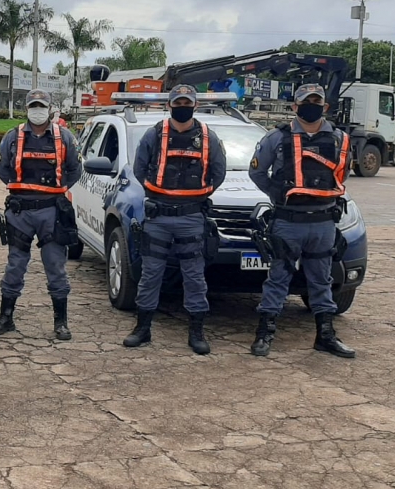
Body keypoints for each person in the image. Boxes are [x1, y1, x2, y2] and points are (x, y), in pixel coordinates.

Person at [248, 83, 355, 358]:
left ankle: (326, 335)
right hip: (288, 220)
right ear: (294, 107)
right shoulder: (276, 137)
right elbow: (257, 172)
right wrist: (278, 194)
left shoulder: (339, 139)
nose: (312, 105)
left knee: (322, 280)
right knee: (278, 277)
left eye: (317, 101)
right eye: (306, 101)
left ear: (325, 107)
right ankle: (264, 333)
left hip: (323, 221)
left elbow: (342, 175)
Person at [124, 84, 227, 354]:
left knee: (194, 277)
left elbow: (218, 172)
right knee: (150, 275)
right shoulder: (154, 134)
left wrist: (194, 196)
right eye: (178, 103)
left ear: (195, 105)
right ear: (169, 106)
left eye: (187, 103)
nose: (183, 107)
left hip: (192, 216)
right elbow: (139, 168)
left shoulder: (208, 137)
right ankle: (143, 329)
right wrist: (157, 193)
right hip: (158, 215)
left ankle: (196, 332)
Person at [0, 90, 83, 339]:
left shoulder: (65, 138)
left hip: (52, 212)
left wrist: (54, 191)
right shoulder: (12, 137)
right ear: (26, 108)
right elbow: (2, 169)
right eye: (33, 105)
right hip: (20, 212)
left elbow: (75, 169)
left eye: (41, 105)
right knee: (15, 265)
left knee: (56, 267)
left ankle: (60, 323)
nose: (37, 110)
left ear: (50, 108)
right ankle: (6, 318)